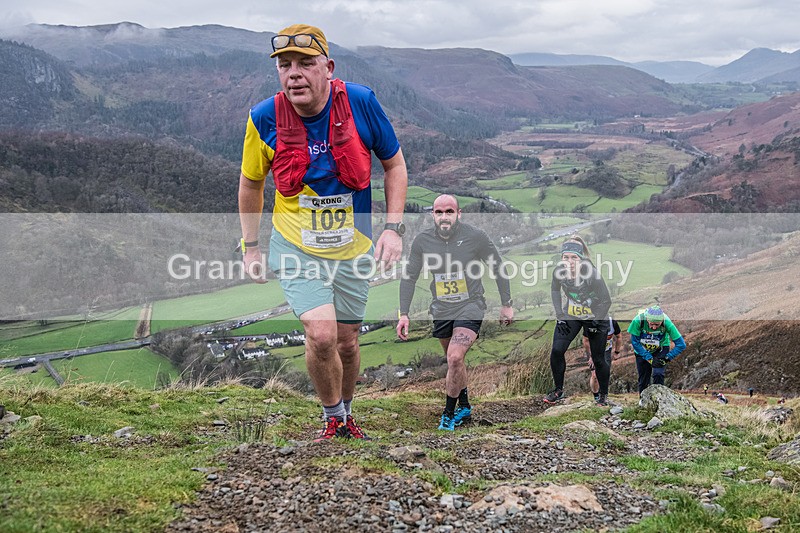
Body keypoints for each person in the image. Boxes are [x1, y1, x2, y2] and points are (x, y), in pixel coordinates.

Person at [238, 24, 408, 441]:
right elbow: (251, 183)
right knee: (322, 334)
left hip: (355, 248)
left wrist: (393, 229)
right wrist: (252, 247)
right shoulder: (264, 118)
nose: (293, 73)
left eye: (305, 64)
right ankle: (332, 417)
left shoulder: (361, 103)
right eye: (285, 65)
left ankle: (347, 414)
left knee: (348, 343)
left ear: (327, 68)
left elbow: (395, 165)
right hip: (297, 247)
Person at [396, 194, 513, 431]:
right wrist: (404, 313)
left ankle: (448, 415)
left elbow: (498, 266)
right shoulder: (422, 241)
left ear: (458, 214)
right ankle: (465, 406)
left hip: (470, 303)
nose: (444, 217)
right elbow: (409, 277)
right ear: (433, 215)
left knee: (455, 357)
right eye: (439, 212)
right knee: (455, 363)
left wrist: (506, 303)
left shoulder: (475, 237)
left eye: (449, 211)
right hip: (441, 308)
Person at [544, 236, 612, 406]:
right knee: (557, 351)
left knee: (598, 359)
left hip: (595, 317)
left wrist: (595, 322)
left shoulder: (592, 274)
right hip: (572, 315)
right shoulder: (559, 272)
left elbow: (606, 301)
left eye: (574, 257)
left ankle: (603, 396)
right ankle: (558, 390)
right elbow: (554, 289)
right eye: (566, 257)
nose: (570, 261)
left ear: (581, 258)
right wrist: (560, 314)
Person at [628, 305, 686, 400]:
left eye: (657, 325)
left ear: (662, 321)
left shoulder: (667, 323)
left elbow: (681, 344)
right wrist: (649, 358)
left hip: (661, 348)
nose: (654, 328)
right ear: (647, 319)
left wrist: (667, 358)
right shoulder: (637, 321)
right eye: (651, 324)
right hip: (642, 350)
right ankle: (643, 402)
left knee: (658, 374)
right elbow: (635, 342)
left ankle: (660, 401)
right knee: (643, 378)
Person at [582, 317, 622, 402]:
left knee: (604, 374)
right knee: (595, 376)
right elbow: (585, 340)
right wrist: (590, 356)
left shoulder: (612, 322)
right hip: (594, 352)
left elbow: (619, 336)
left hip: (606, 352)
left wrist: (617, 352)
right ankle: (596, 396)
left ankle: (603, 396)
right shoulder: (590, 322)